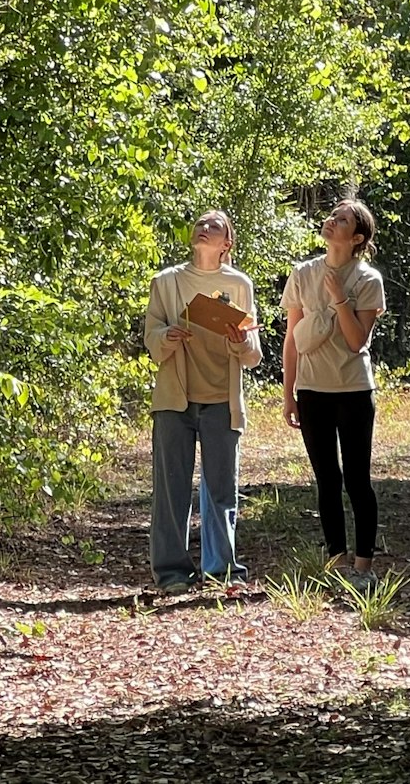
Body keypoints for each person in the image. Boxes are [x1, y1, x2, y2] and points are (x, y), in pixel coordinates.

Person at [144, 210, 264, 593]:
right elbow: (151, 339)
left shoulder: (239, 284)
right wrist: (168, 335)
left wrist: (238, 341)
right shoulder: (167, 281)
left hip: (221, 400)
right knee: (171, 488)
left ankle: (221, 570)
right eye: (200, 223)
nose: (203, 228)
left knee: (220, 489)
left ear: (226, 243)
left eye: (214, 226)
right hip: (174, 399)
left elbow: (253, 353)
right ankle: (172, 573)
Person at [282, 200, 386, 590]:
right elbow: (292, 340)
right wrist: (289, 393)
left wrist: (340, 298)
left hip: (354, 390)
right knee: (326, 478)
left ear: (356, 237)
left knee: (358, 479)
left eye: (342, 219)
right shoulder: (303, 273)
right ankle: (336, 561)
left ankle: (363, 567)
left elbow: (358, 340)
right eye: (332, 215)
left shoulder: (368, 279)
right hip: (312, 391)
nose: (331, 220)